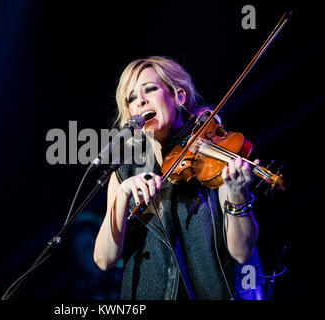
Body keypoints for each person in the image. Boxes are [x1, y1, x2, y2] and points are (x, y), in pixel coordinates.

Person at [93, 56, 265, 300]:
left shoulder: (213, 157)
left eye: (150, 89)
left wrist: (238, 195)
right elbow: (104, 259)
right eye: (132, 98)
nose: (140, 101)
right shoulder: (125, 174)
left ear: (178, 97)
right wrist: (122, 196)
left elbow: (241, 252)